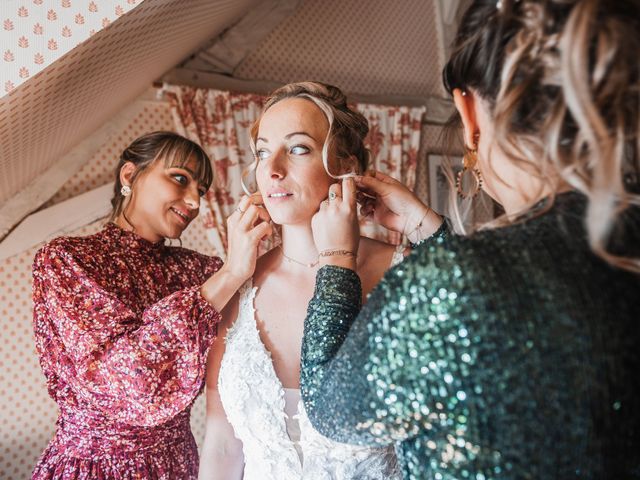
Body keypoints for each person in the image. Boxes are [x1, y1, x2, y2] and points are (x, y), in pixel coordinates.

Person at [299, 1, 640, 479]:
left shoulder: (450, 283)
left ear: (469, 111)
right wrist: (429, 231)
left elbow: (331, 409)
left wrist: (336, 263)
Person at [31, 131, 272, 479]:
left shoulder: (201, 270)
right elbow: (132, 379)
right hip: (94, 468)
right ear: (129, 175)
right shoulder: (67, 260)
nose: (194, 202)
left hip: (180, 466)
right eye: (180, 178)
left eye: (201, 190)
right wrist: (231, 273)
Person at [199, 82, 402, 479]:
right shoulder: (237, 287)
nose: (271, 169)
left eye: (297, 148)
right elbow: (222, 444)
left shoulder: (402, 273)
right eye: (261, 151)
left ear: (343, 165)